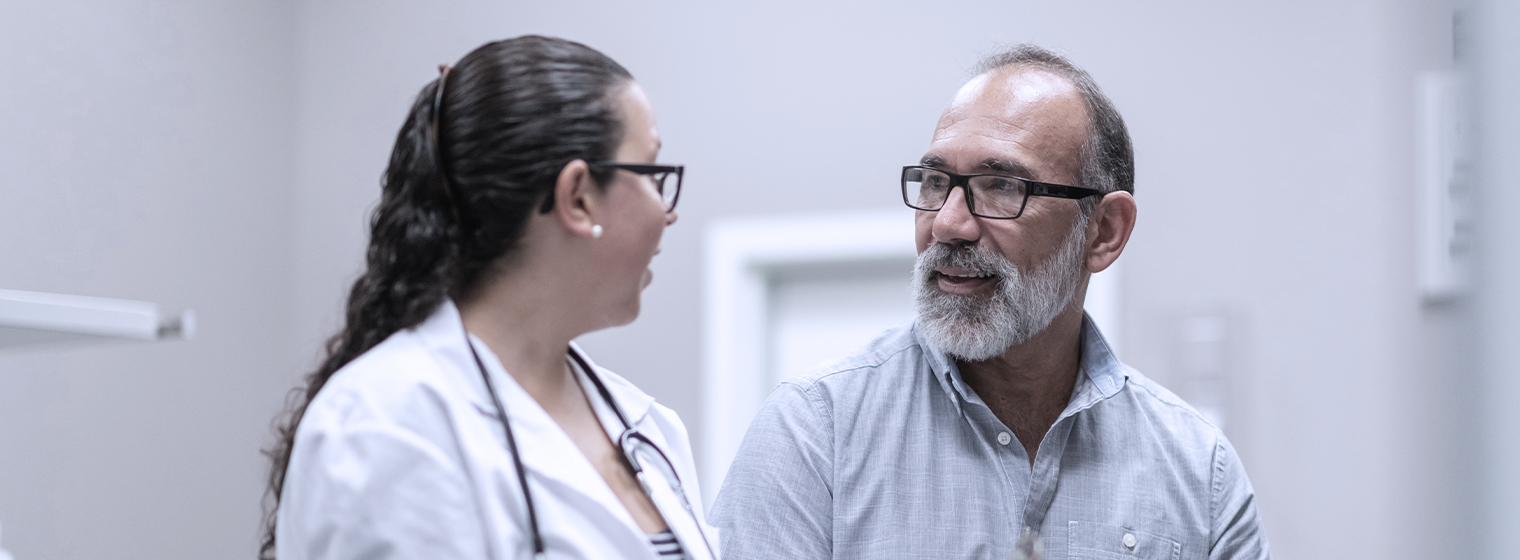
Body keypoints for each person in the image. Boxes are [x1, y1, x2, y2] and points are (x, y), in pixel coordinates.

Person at [710, 44, 1269, 559]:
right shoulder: (815, 433)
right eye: (934, 182)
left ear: (1102, 231)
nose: (948, 223)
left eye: (1002, 186)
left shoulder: (1199, 472)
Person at [260, 36, 716, 560]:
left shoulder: (649, 427)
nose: (668, 211)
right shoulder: (386, 422)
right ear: (578, 197)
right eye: (652, 173)